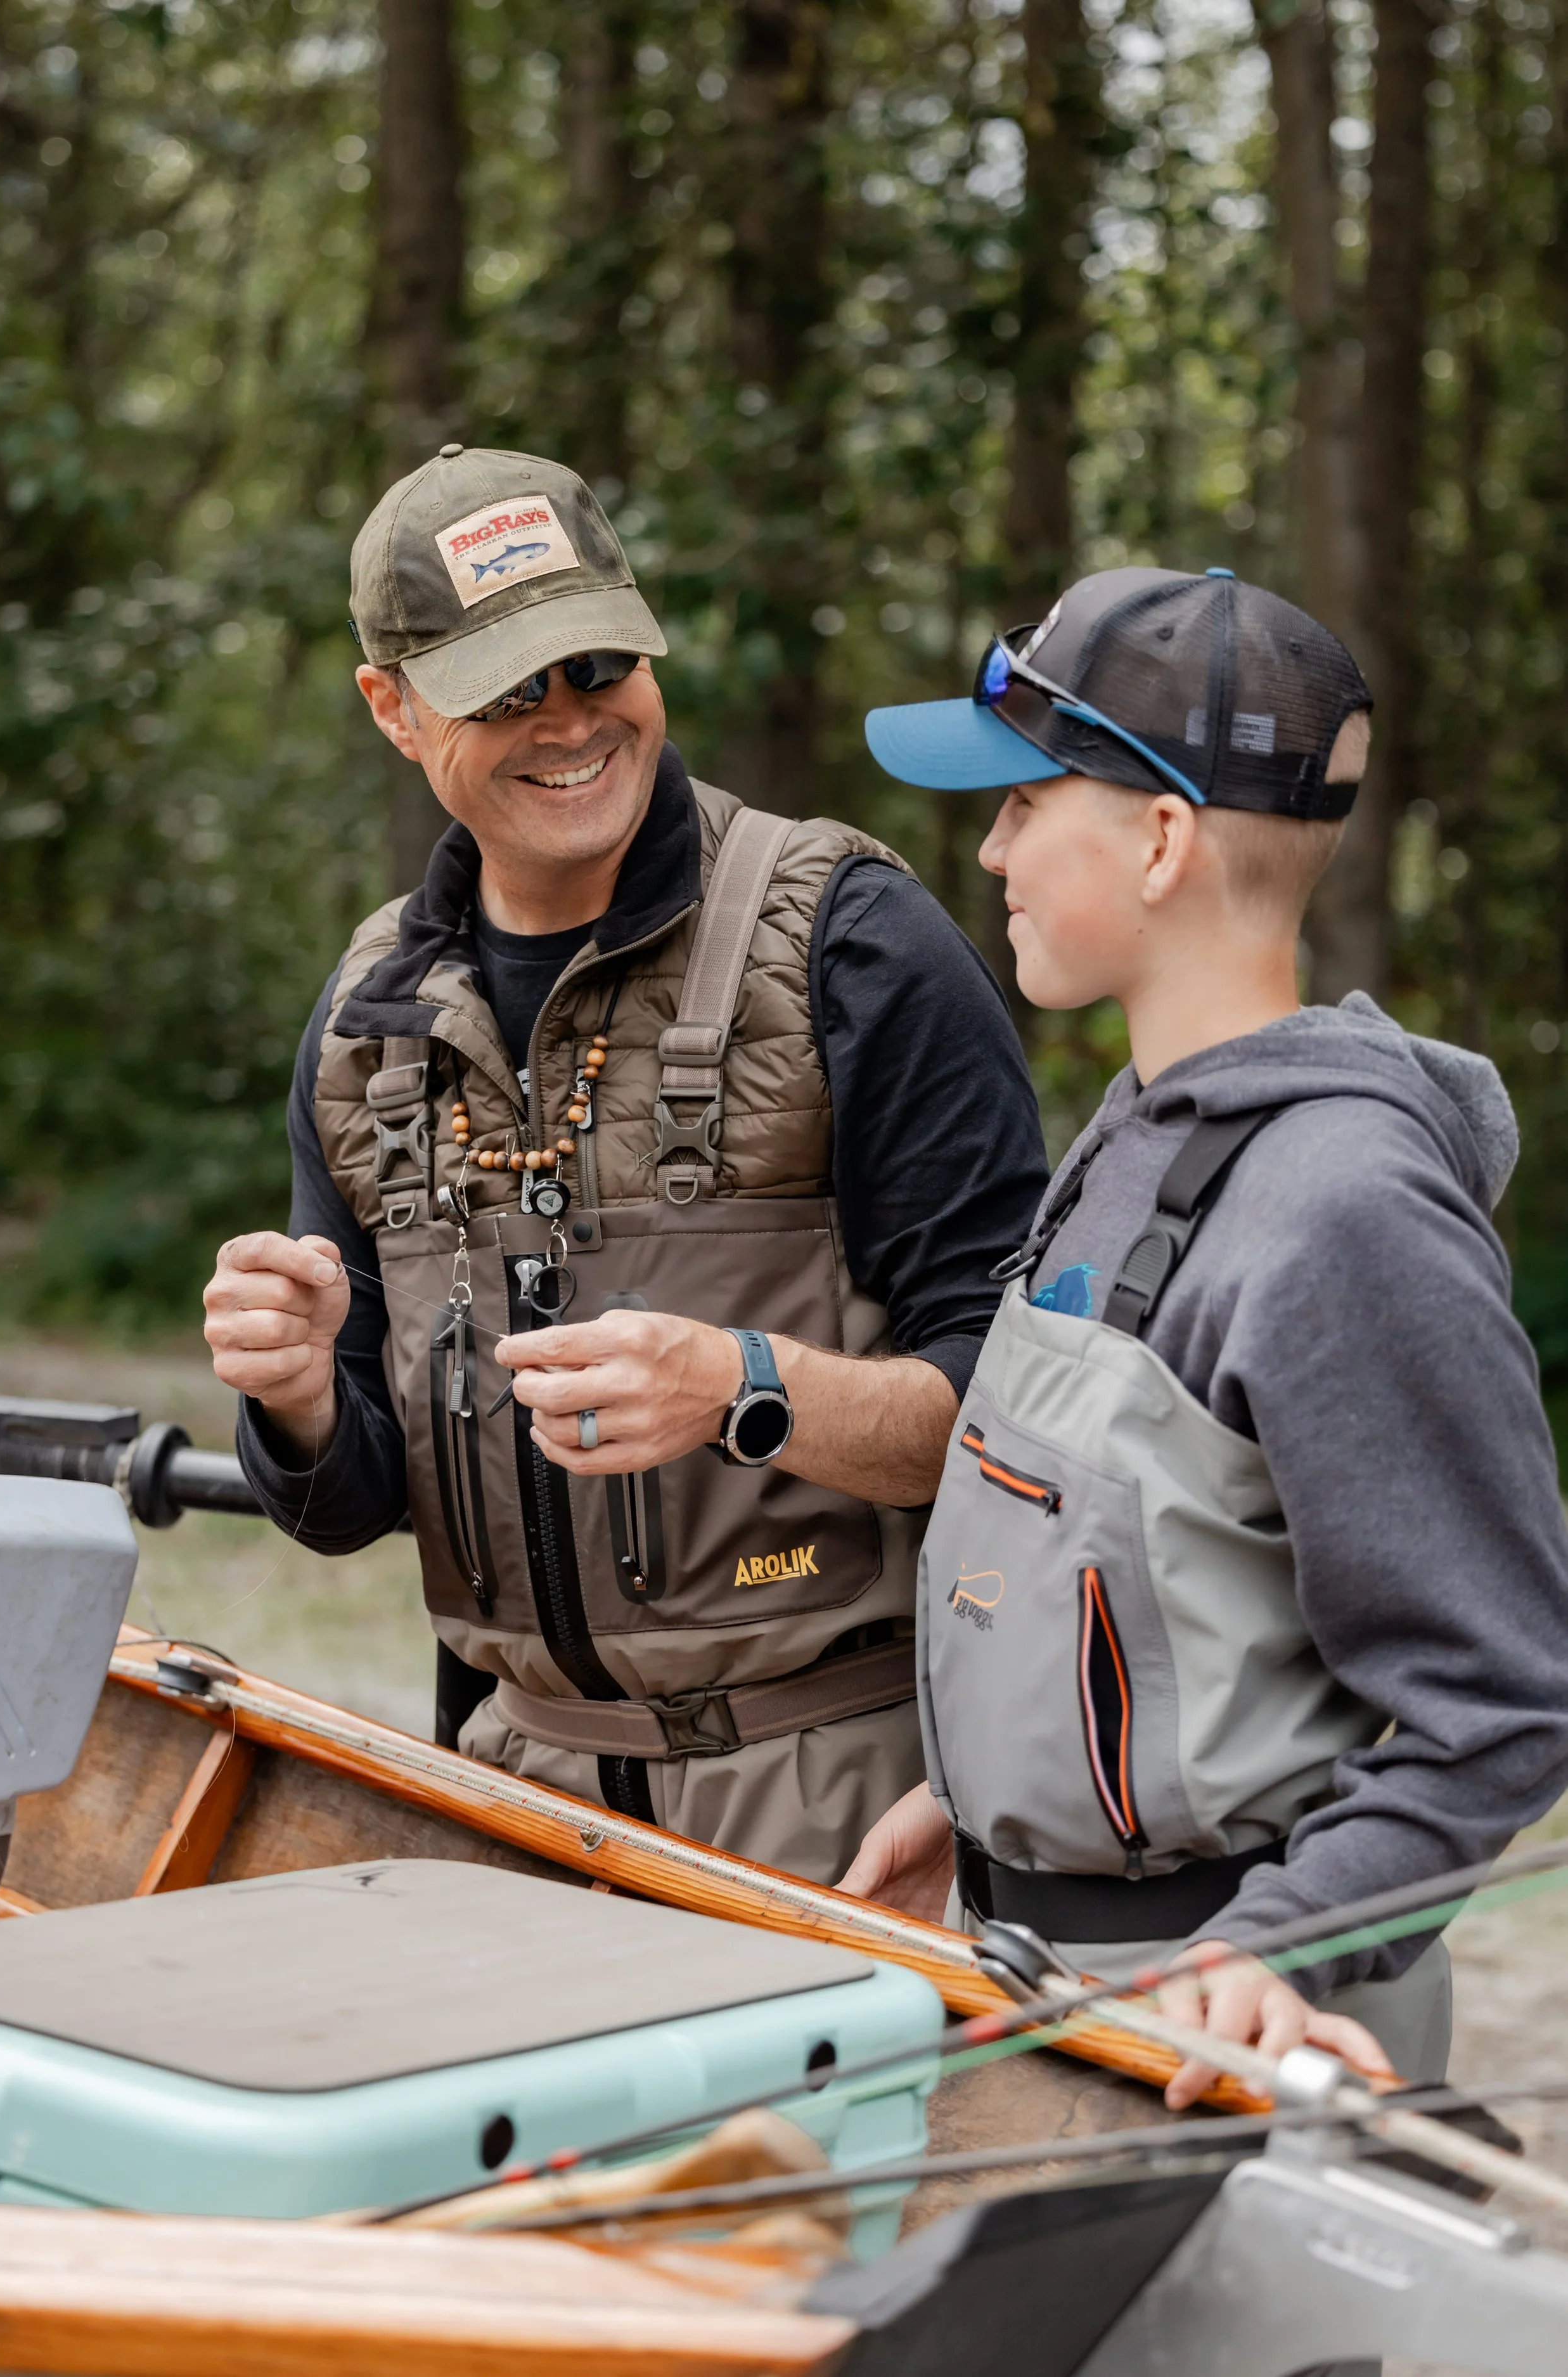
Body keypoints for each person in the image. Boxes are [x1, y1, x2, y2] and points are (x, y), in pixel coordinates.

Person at [202, 444, 1047, 1884]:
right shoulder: (367, 1022)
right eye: (504, 690)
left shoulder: (853, 941)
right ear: (391, 710)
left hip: (839, 1801)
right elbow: (348, 1505)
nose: (568, 721)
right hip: (510, 1803)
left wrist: (745, 1391)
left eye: (597, 663)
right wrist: (292, 1401)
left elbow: (1029, 1419)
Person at [841, 563, 1568, 2100]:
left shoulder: (1344, 1213)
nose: (987, 851)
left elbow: (1501, 1693)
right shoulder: (1132, 1135)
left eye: (1025, 804)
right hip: (1035, 1967)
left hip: (1212, 2033)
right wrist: (985, 1811)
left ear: (1160, 838)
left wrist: (1278, 1946)